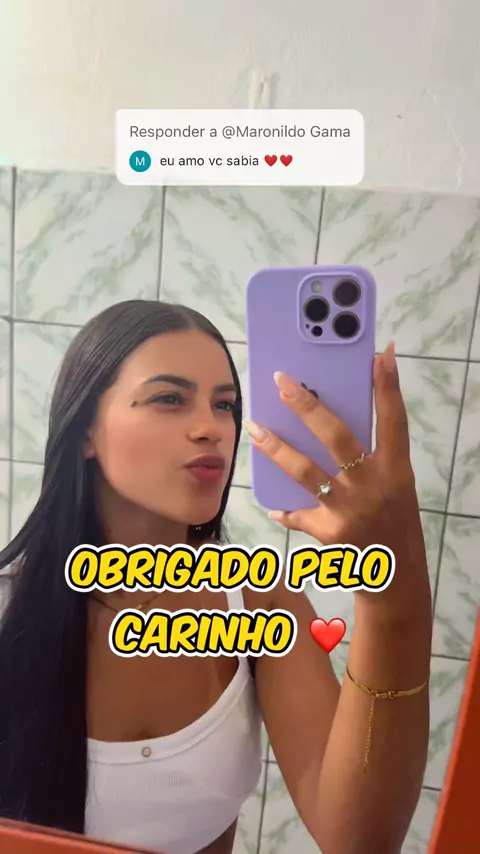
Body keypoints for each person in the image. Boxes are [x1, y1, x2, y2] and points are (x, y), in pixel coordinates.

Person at [0, 299, 432, 854]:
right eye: (169, 398)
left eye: (225, 405)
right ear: (85, 430)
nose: (212, 428)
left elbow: (358, 841)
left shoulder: (259, 603)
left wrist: (392, 586)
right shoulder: (11, 609)